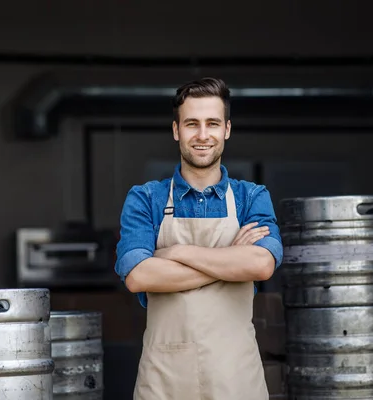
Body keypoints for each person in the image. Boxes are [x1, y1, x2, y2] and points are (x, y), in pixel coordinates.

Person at [115, 77, 283, 400]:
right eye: (192, 124)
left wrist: (175, 252)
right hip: (163, 382)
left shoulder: (252, 197)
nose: (203, 135)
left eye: (212, 123)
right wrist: (230, 260)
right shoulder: (145, 199)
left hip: (236, 381)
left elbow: (262, 265)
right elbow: (138, 276)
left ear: (227, 129)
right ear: (176, 130)